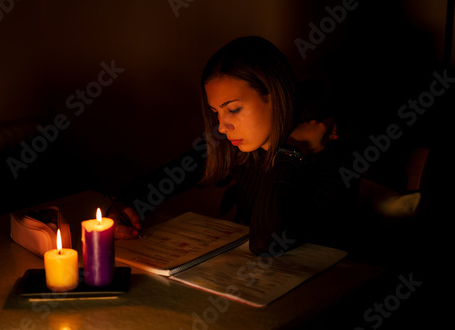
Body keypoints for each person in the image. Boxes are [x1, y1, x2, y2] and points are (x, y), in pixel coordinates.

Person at [108, 36, 357, 255]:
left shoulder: (331, 152)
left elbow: (268, 242)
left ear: (276, 95)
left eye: (234, 109)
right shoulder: (236, 145)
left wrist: (293, 149)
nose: (222, 127)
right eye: (216, 112)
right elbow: (161, 181)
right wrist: (124, 207)